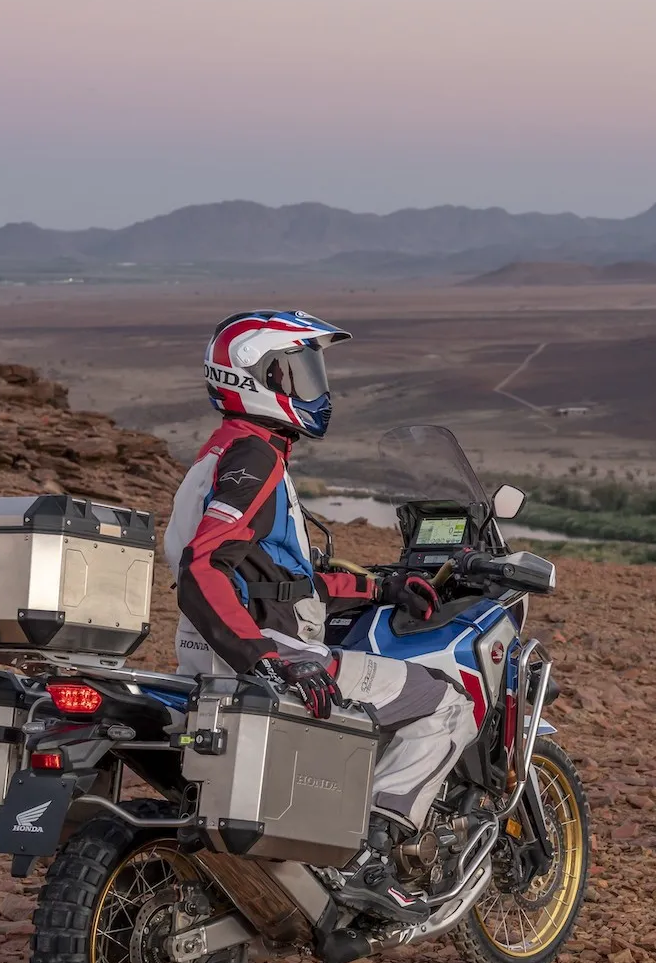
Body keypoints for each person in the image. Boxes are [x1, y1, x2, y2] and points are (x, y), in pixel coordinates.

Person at [163, 311, 478, 919]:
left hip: (212, 651)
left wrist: (381, 588)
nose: (314, 387)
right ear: (256, 376)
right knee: (445, 703)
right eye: (296, 371)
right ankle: (373, 860)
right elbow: (203, 568)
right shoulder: (255, 459)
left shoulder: (227, 452)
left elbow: (282, 580)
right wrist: (267, 656)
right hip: (263, 651)